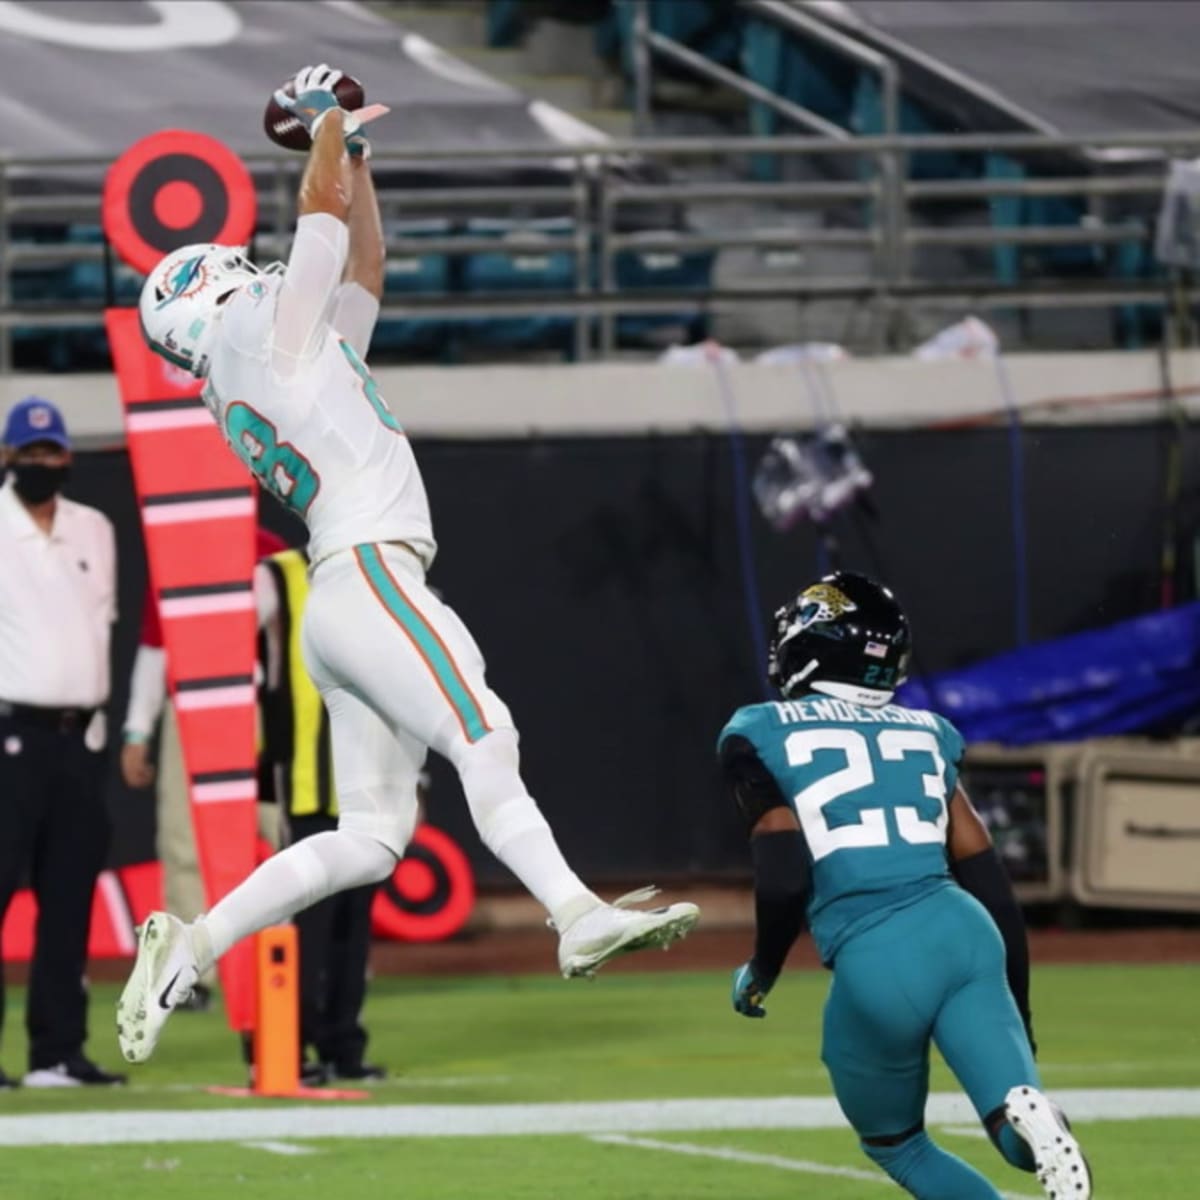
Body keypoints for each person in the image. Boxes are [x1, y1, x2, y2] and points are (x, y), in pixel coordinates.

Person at [119, 63, 698, 1064]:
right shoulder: (258, 330)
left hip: (342, 598)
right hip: (370, 570)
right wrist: (325, 127)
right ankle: (572, 911)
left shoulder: (268, 357)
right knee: (483, 727)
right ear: (212, 287)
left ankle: (198, 938)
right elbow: (321, 233)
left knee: (371, 839)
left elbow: (362, 270)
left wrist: (358, 156)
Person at [721, 572, 1092, 1200]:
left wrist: (762, 968)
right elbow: (990, 882)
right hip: (966, 931)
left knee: (897, 1143)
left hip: (878, 951)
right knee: (1010, 1125)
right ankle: (1037, 1117)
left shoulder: (759, 729)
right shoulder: (929, 733)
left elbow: (784, 880)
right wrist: (1018, 1009)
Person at [0, 397, 126, 1087]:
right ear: (7, 458)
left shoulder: (95, 529)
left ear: (68, 458)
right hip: (11, 734)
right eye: (30, 454)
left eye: (52, 453)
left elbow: (101, 625)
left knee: (69, 898)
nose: (43, 464)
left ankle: (57, 1052)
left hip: (81, 740)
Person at [120, 526, 289, 1012]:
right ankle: (188, 975)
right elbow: (156, 645)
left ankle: (291, 960)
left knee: (282, 835)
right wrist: (137, 729)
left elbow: (293, 642)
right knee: (183, 840)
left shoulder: (273, 551)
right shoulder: (177, 550)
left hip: (259, 707)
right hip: (191, 707)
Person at [257, 544, 398, 1084]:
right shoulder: (278, 576)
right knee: (304, 923)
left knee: (352, 927)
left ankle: (343, 1046)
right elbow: (234, 655)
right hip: (303, 783)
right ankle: (287, 1046)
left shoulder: (384, 574)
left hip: (368, 787)